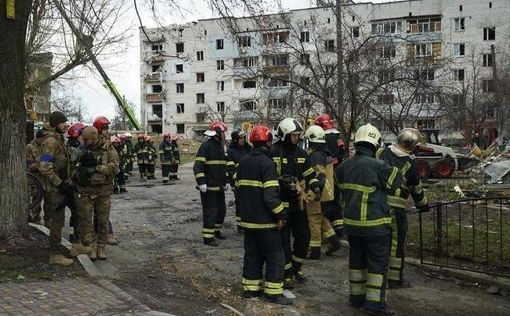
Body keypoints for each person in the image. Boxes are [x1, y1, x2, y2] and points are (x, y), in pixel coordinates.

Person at [335, 123, 402, 315]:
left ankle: (356, 299)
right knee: (377, 265)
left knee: (357, 262)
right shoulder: (379, 166)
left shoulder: (344, 166)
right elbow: (397, 182)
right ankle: (374, 305)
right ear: (376, 143)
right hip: (375, 226)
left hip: (352, 227)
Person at [237, 125, 292, 305]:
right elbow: (269, 196)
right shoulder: (267, 163)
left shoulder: (244, 162)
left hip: (248, 221)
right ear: (268, 142)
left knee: (252, 255)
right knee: (275, 256)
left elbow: (242, 191)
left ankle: (251, 290)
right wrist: (281, 214)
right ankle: (273, 293)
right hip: (266, 223)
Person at [270, 117, 323, 286]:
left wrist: (316, 186)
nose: (296, 138)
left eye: (298, 135)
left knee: (303, 238)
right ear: (284, 135)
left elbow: (309, 175)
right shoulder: (274, 152)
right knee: (283, 241)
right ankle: (286, 274)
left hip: (298, 204)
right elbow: (268, 177)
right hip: (281, 206)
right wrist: (280, 183)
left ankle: (296, 267)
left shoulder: (301, 154)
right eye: (293, 135)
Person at [377, 128, 429, 289]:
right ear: (413, 145)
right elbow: (416, 188)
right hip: (396, 211)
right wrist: (423, 205)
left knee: (377, 243)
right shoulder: (411, 163)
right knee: (396, 245)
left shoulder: (382, 153)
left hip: (377, 205)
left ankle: (377, 276)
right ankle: (394, 279)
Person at [74, 126, 119, 260]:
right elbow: (73, 166)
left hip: (103, 191)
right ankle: (91, 247)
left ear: (93, 138)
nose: (85, 142)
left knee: (102, 221)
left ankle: (101, 247)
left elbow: (115, 167)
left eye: (87, 139)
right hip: (86, 191)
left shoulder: (108, 148)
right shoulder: (82, 149)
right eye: (84, 139)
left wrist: (97, 168)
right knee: (86, 221)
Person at [38, 111, 76, 266]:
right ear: (55, 124)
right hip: (55, 189)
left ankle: (74, 245)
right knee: (57, 221)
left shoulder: (58, 139)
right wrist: (59, 183)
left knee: (71, 214)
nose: (65, 125)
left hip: (62, 186)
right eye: (62, 122)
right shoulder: (51, 142)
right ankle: (54, 254)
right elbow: (45, 167)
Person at [303, 125, 341, 259]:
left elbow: (319, 176)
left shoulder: (316, 156)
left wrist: (311, 193)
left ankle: (314, 251)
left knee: (313, 221)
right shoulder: (326, 154)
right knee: (322, 220)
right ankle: (335, 242)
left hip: (318, 195)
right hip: (328, 194)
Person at [193, 121, 229, 247]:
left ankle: (216, 231)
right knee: (211, 211)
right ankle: (208, 237)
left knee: (221, 211)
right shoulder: (206, 146)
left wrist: (226, 181)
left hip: (219, 187)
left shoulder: (220, 146)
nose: (225, 135)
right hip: (208, 187)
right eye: (223, 132)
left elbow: (222, 167)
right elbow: (198, 166)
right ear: (217, 133)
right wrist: (201, 182)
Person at [314, 113, 345, 237]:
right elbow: (341, 153)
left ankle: (329, 232)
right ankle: (339, 228)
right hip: (338, 172)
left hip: (327, 173)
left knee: (326, 202)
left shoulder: (324, 138)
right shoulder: (337, 136)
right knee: (336, 200)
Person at [226, 129, 251, 232]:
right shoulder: (231, 151)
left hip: (249, 182)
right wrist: (239, 178)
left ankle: (248, 223)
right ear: (235, 139)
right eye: (240, 138)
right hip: (237, 183)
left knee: (249, 203)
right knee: (240, 203)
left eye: (243, 138)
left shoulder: (248, 149)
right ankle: (240, 226)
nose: (242, 140)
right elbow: (230, 169)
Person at [66, 122, 85, 243]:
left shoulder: (70, 145)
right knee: (77, 213)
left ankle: (73, 236)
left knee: (75, 214)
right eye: (83, 136)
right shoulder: (74, 149)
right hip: (74, 186)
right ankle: (75, 237)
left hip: (72, 185)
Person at [26, 129, 45, 224]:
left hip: (42, 179)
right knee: (29, 200)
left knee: (38, 200)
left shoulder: (45, 147)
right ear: (38, 138)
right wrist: (43, 165)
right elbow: (30, 165)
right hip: (31, 180)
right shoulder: (29, 147)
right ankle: (29, 218)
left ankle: (36, 218)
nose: (44, 141)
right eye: (42, 139)